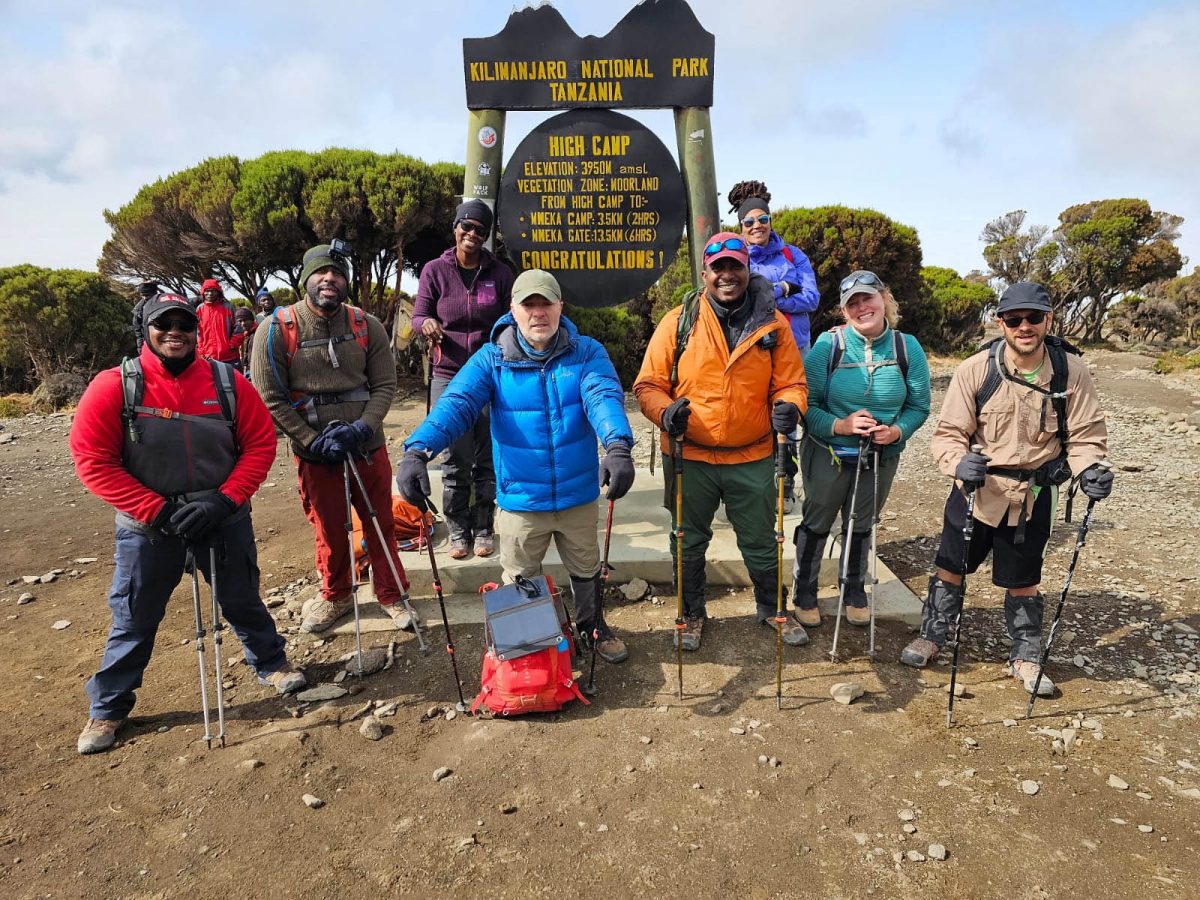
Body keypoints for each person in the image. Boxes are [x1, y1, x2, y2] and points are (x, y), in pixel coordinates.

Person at [70, 292, 306, 755]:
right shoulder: (113, 386)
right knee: (134, 616)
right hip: (149, 527)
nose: (174, 331)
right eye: (164, 324)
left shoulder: (228, 382)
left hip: (221, 518)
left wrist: (224, 500)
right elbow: (93, 460)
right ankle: (109, 707)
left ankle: (272, 663)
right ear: (145, 330)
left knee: (241, 598)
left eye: (184, 323)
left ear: (197, 330)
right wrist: (154, 510)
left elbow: (259, 445)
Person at [397, 269, 635, 664]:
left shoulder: (587, 352)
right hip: (522, 499)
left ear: (561, 307)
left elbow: (603, 396)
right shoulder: (492, 359)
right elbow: (456, 403)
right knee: (521, 577)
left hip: (577, 493)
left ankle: (592, 627)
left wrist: (617, 445)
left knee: (586, 568)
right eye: (529, 304)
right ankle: (530, 646)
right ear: (513, 310)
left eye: (546, 303)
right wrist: (416, 451)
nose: (538, 313)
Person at [900, 281, 1111, 697]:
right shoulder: (975, 370)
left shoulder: (1071, 371)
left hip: (1033, 497)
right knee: (950, 567)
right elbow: (948, 434)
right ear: (1001, 323)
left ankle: (1026, 657)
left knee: (1024, 579)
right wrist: (959, 462)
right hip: (975, 489)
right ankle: (932, 636)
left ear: (1049, 319)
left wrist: (1090, 469)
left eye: (1034, 317)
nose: (1025, 326)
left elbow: (1087, 434)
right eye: (1014, 319)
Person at [633, 233, 808, 651]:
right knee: (686, 538)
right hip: (689, 455)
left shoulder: (774, 324)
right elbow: (648, 385)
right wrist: (664, 411)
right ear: (705, 273)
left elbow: (792, 383)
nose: (727, 275)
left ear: (748, 270)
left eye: (736, 267)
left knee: (762, 538)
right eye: (719, 268)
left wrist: (790, 407)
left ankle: (771, 607)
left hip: (753, 454)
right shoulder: (678, 321)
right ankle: (692, 614)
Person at [250, 243, 414, 634]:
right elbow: (269, 396)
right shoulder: (275, 330)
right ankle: (337, 594)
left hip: (366, 447)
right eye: (321, 273)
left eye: (337, 274)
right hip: (315, 453)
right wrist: (310, 439)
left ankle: (391, 594)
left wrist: (363, 428)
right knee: (329, 526)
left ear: (346, 282)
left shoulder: (366, 325)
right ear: (306, 280)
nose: (329, 279)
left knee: (380, 524)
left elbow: (385, 384)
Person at [790, 271, 930, 642]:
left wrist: (897, 431)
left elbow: (919, 406)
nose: (862, 307)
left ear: (885, 299)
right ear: (843, 310)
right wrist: (841, 425)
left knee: (863, 521)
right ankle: (804, 590)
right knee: (818, 519)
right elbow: (808, 404)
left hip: (880, 456)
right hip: (829, 453)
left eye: (868, 298)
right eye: (852, 303)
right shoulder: (828, 345)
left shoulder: (907, 347)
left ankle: (853, 588)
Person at [412, 199, 514, 559]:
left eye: (480, 231)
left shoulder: (500, 273)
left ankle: (485, 525)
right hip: (448, 373)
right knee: (455, 455)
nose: (472, 235)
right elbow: (419, 313)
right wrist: (424, 324)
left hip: (489, 373)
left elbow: (509, 321)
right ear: (455, 227)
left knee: (487, 452)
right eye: (466, 227)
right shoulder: (434, 271)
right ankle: (459, 529)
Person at [728, 180, 821, 512]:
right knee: (755, 415)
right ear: (741, 226)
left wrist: (773, 296)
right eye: (749, 222)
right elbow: (743, 300)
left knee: (791, 415)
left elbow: (811, 298)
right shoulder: (736, 256)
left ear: (770, 220)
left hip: (796, 346)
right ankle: (754, 485)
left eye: (762, 219)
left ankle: (787, 483)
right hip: (754, 347)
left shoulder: (791, 254)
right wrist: (784, 287)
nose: (757, 226)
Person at [196, 278, 245, 367]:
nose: (210, 294)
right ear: (203, 292)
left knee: (234, 380)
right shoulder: (200, 309)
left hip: (230, 357)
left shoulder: (228, 307)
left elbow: (239, 329)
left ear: (218, 292)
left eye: (213, 291)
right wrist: (202, 350)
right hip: (208, 357)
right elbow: (198, 333)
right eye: (207, 291)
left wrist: (231, 345)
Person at [130, 280, 161, 352]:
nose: (145, 298)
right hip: (148, 345)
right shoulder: (138, 310)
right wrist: (141, 349)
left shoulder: (165, 304)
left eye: (148, 295)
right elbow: (138, 331)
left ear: (155, 294)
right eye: (143, 295)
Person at [234, 306, 257, 374]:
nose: (243, 323)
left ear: (251, 319)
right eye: (240, 321)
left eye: (245, 320)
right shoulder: (244, 334)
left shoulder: (257, 333)